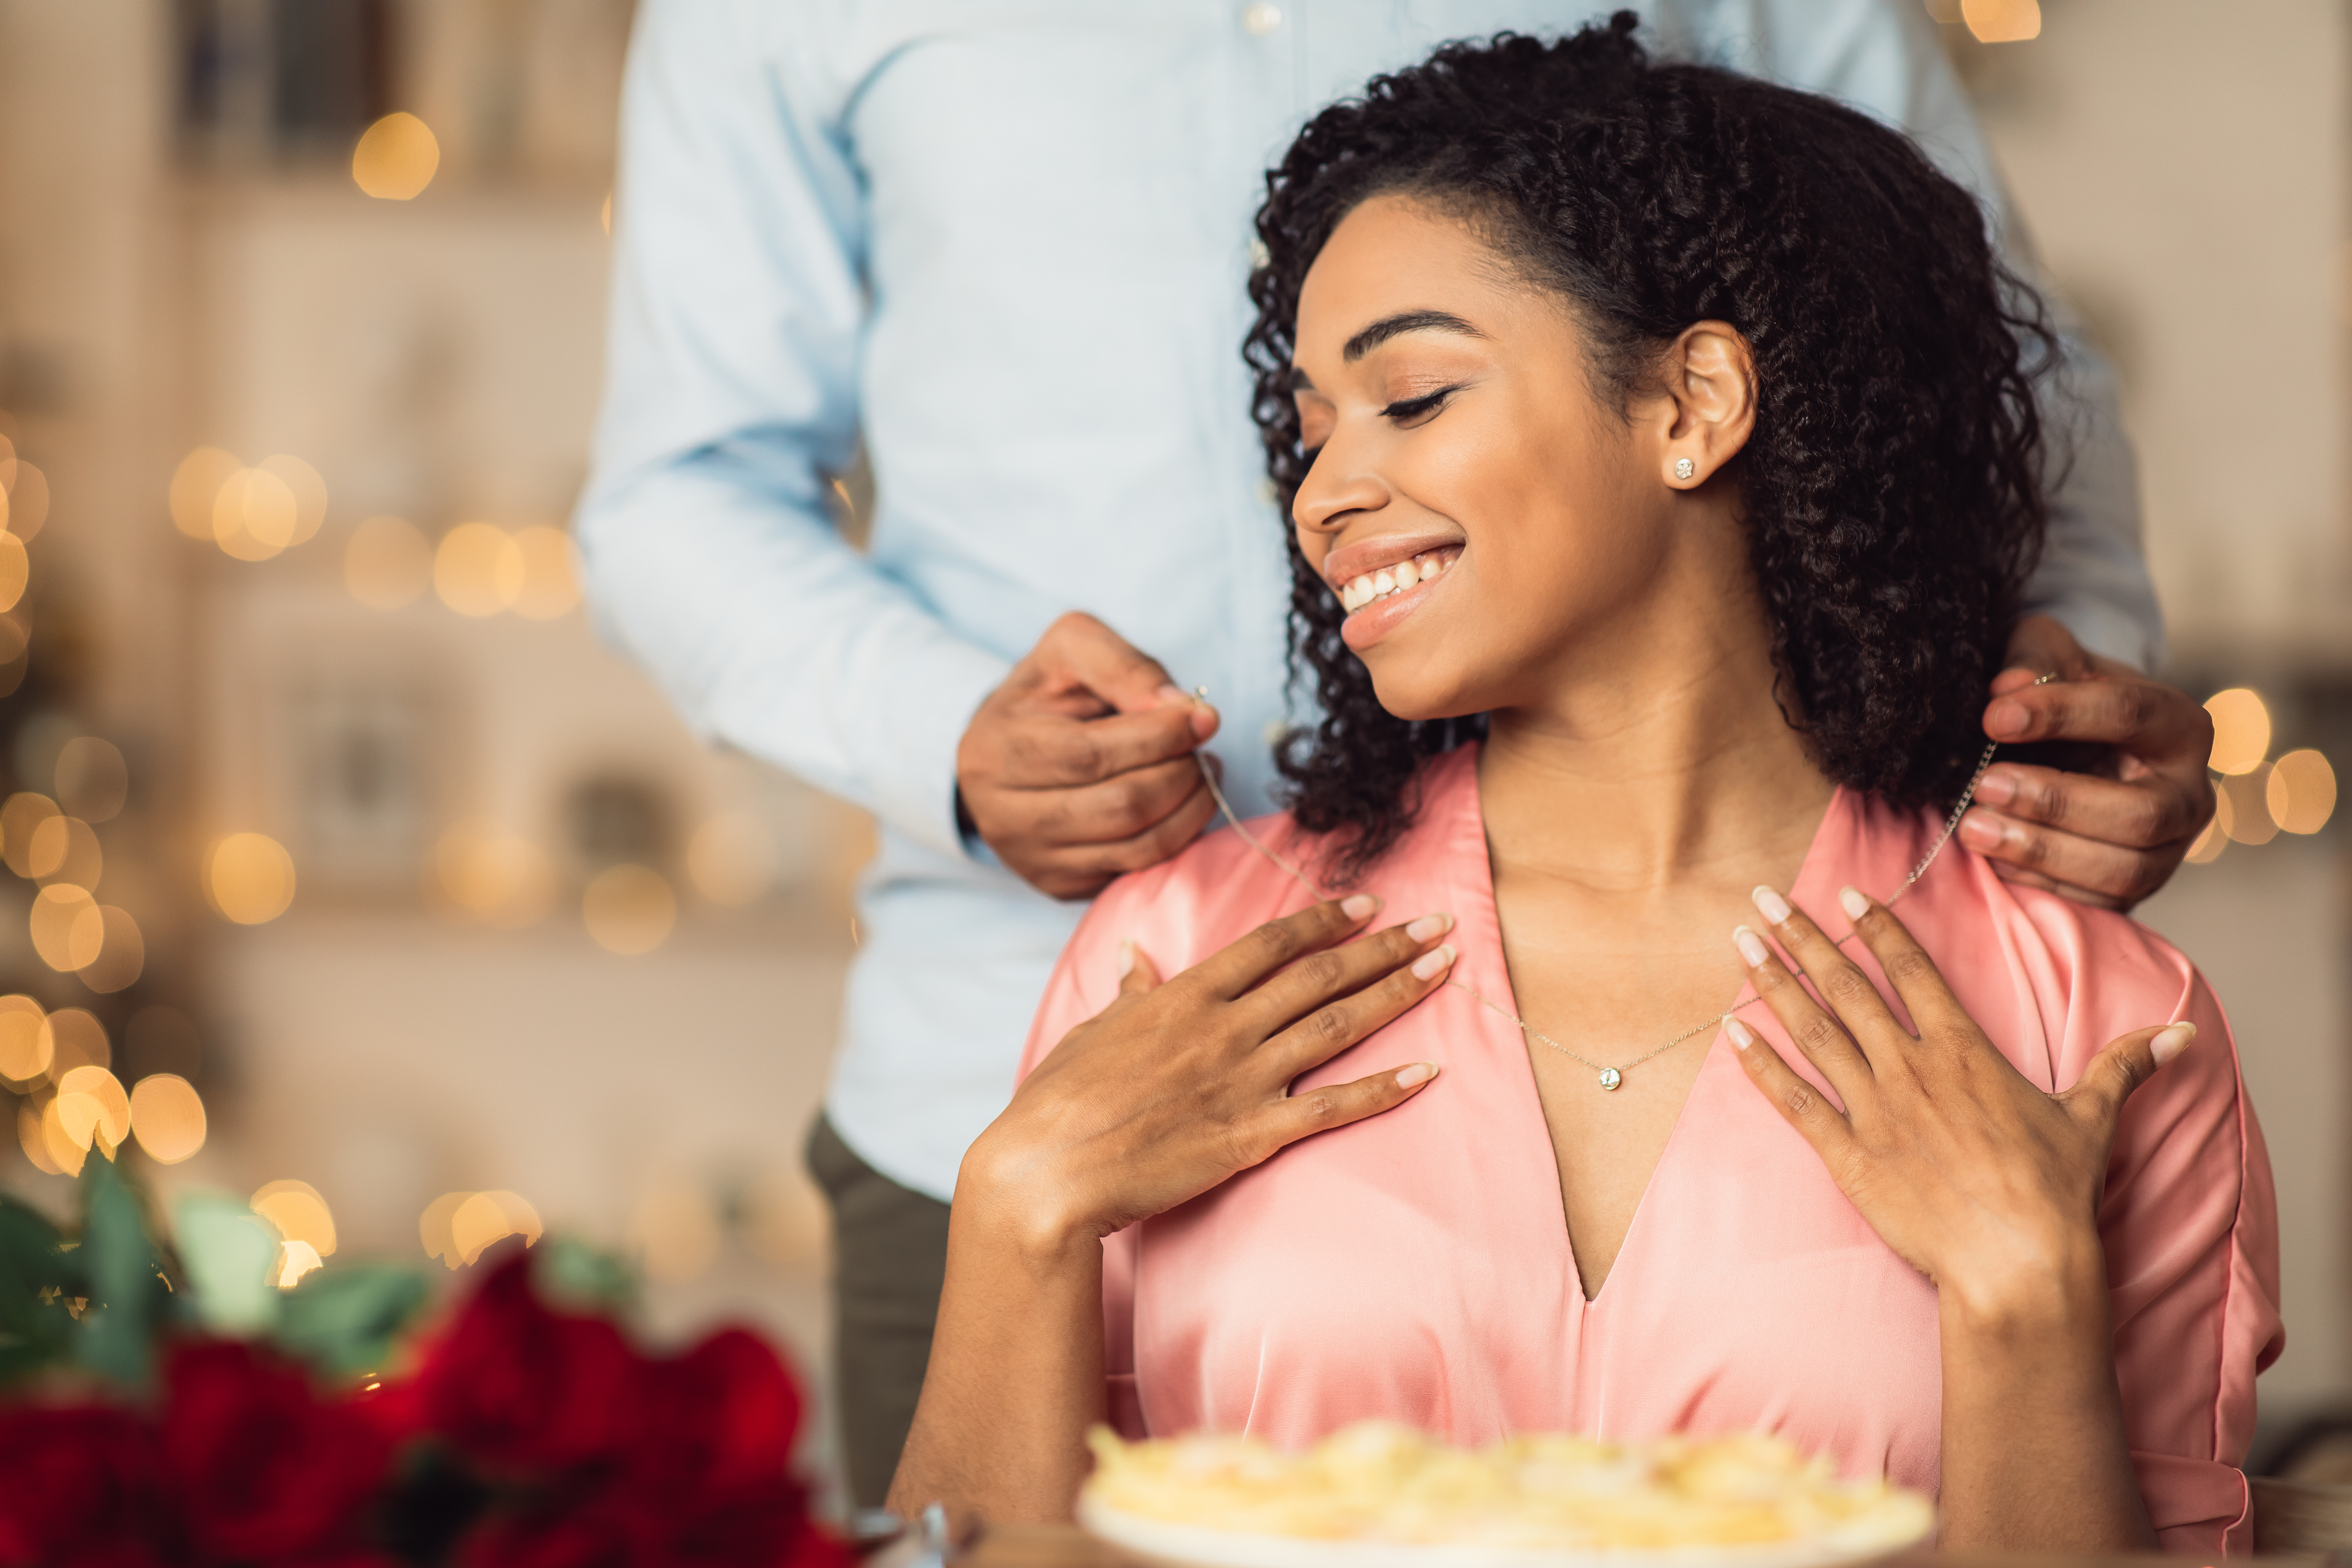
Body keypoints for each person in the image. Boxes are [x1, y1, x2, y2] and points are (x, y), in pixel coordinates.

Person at [575, 0, 2219, 1504]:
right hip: (1026, 1041)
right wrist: (951, 740)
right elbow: (675, 484)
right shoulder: (1137, 972)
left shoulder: (2071, 1014)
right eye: (1307, 428)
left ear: (1697, 401)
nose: (1321, 495)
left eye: (1416, 397)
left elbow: (1956, 341)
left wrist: (2035, 707)